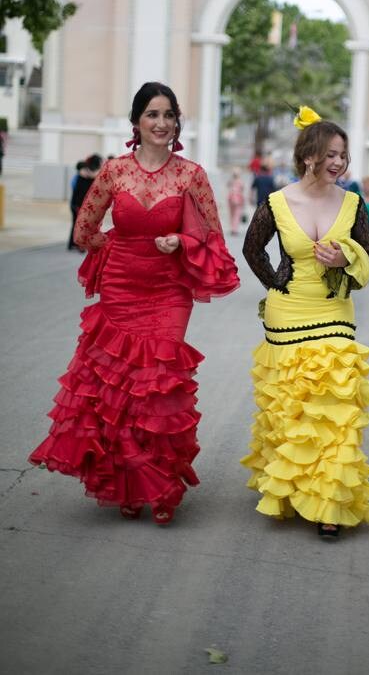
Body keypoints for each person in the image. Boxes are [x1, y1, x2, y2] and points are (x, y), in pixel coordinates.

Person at [30, 82, 240, 525]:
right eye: (152, 115)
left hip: (169, 292)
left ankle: (161, 486)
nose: (162, 123)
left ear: (177, 122)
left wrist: (180, 239)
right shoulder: (114, 172)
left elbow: (213, 235)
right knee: (123, 389)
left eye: (169, 115)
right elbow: (83, 230)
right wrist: (115, 247)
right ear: (137, 123)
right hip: (121, 287)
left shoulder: (191, 175)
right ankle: (128, 482)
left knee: (158, 383)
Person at [241, 105, 369, 539]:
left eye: (343, 155)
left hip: (334, 312)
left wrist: (346, 257)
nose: (339, 162)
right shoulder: (278, 202)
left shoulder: (353, 203)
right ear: (309, 157)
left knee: (337, 408)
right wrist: (276, 282)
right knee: (292, 410)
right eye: (332, 154)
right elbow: (252, 248)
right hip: (288, 315)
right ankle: (293, 488)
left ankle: (328, 505)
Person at [67, 155, 103, 251]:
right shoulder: (85, 175)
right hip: (79, 204)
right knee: (80, 224)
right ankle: (78, 244)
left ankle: (74, 244)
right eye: (100, 163)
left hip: (79, 204)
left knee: (78, 224)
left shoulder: (83, 174)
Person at [227, 167, 246, 235]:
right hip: (238, 199)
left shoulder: (231, 181)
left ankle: (232, 228)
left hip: (231, 198)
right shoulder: (240, 182)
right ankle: (235, 229)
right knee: (237, 214)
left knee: (231, 214)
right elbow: (242, 190)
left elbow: (228, 186)